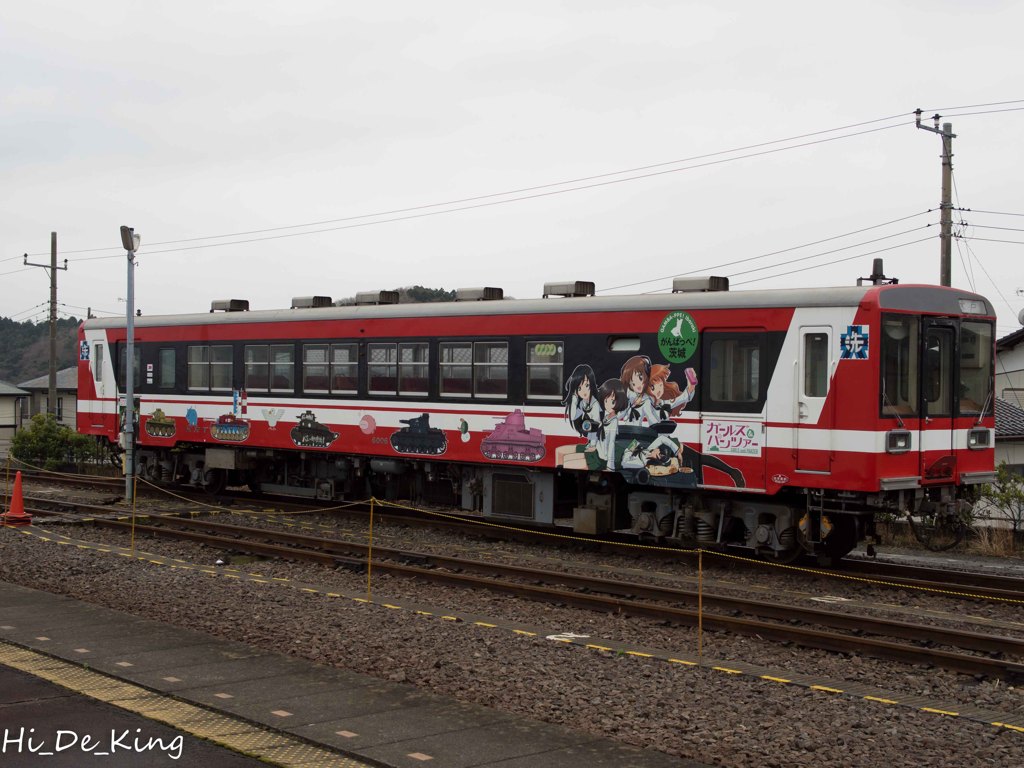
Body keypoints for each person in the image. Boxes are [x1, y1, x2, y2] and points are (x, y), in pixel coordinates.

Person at [561, 379, 627, 471]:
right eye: (605, 401)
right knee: (565, 459)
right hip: (597, 452)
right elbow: (599, 434)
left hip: (602, 459)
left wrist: (610, 467)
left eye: (612, 402)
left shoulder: (613, 421)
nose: (607, 404)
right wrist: (594, 446)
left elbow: (611, 443)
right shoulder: (606, 417)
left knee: (567, 463)